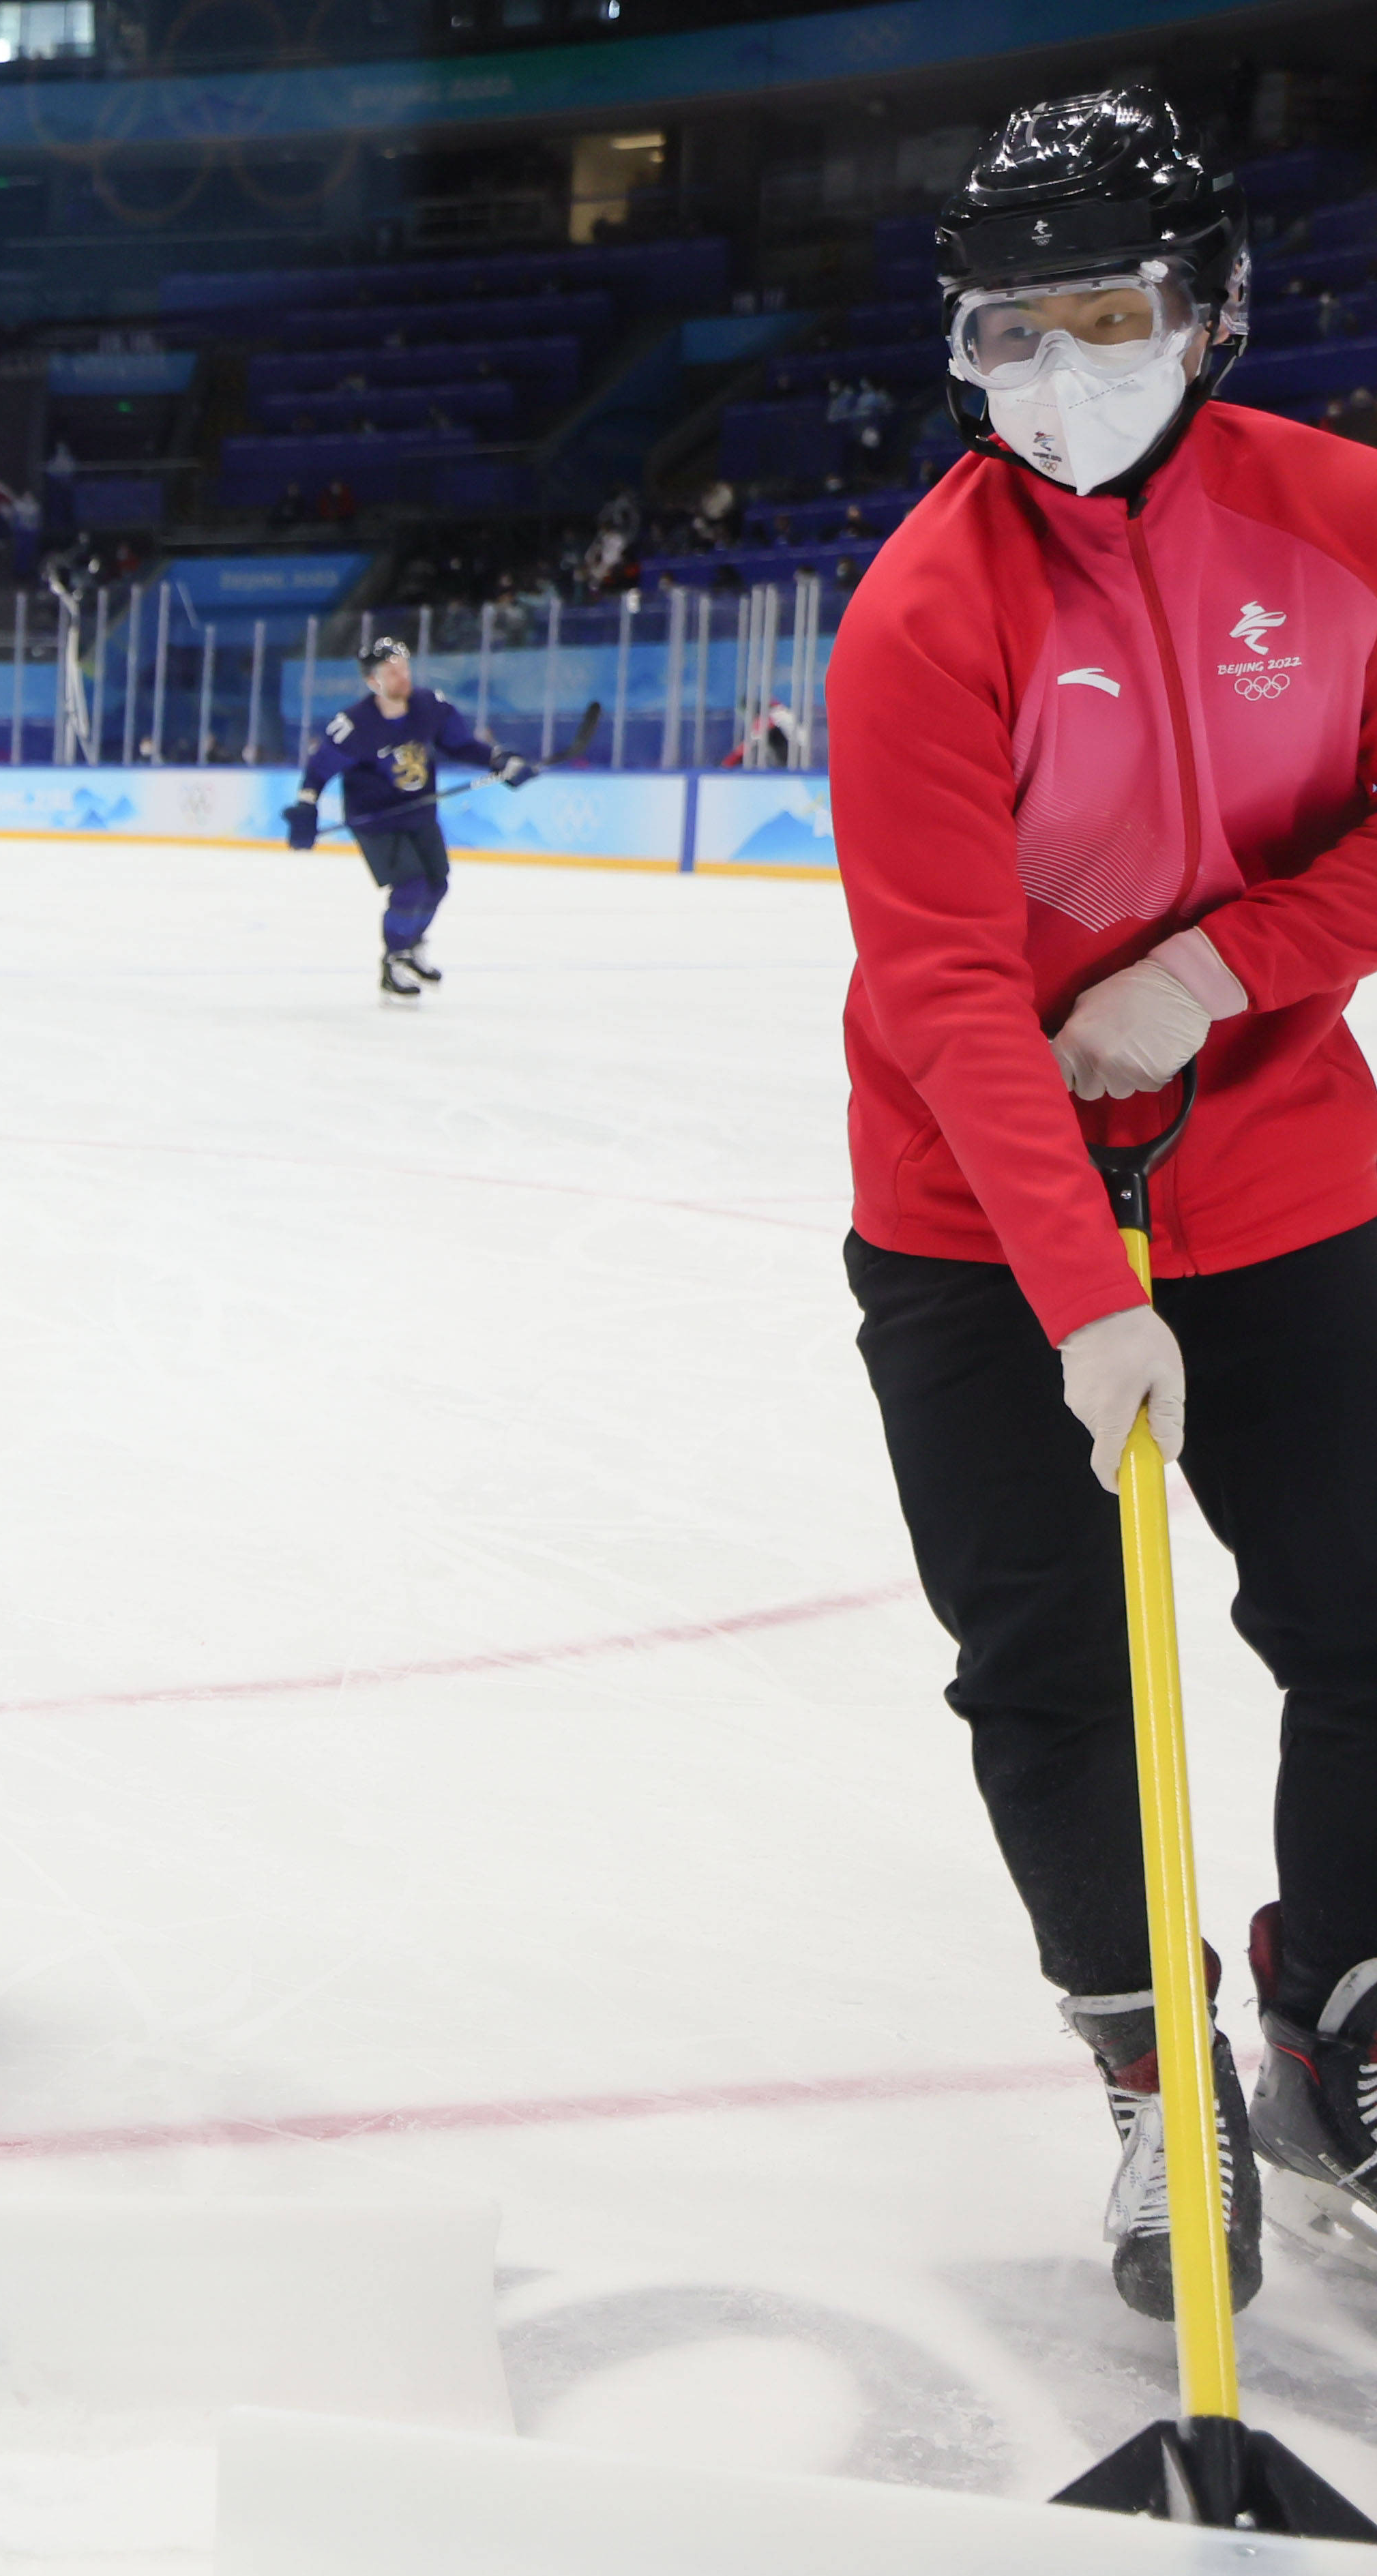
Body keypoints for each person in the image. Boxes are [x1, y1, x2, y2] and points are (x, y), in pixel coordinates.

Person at [834, 86, 1377, 2322]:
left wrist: (1218, 966)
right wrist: (1075, 1289)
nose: (1059, 371)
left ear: (1209, 312)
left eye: (1106, 315)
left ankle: (1337, 2012)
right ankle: (1158, 2088)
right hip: (979, 1232)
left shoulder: (1342, 524)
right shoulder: (922, 614)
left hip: (1281, 1177)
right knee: (1048, 1679)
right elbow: (953, 988)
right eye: (1004, 334)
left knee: (1365, 1634)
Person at [286, 638, 535, 1001]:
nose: (403, 676)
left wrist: (499, 759)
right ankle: (393, 962)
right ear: (374, 682)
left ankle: (411, 946)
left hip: (420, 812)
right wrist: (306, 808)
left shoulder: (429, 706)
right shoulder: (354, 726)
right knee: (411, 886)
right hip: (375, 821)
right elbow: (319, 771)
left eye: (404, 668)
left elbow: (460, 744)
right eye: (392, 672)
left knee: (437, 885)